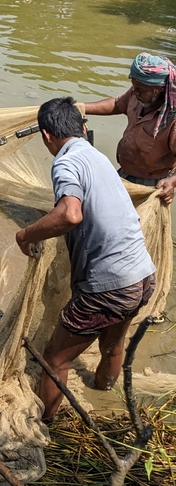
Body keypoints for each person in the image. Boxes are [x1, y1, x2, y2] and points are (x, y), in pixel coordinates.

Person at [15, 97, 156, 422]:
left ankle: (44, 427)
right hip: (142, 276)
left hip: (108, 288)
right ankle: (103, 395)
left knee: (54, 359)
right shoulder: (96, 155)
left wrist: (26, 235)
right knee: (113, 345)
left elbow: (70, 213)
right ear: (84, 128)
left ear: (47, 136)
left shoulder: (65, 162)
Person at [82, 52, 176, 204]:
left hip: (150, 188)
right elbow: (116, 104)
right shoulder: (137, 94)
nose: (135, 91)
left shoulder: (172, 119)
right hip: (123, 174)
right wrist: (80, 107)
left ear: (157, 89)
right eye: (134, 85)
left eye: (140, 89)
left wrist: (172, 181)